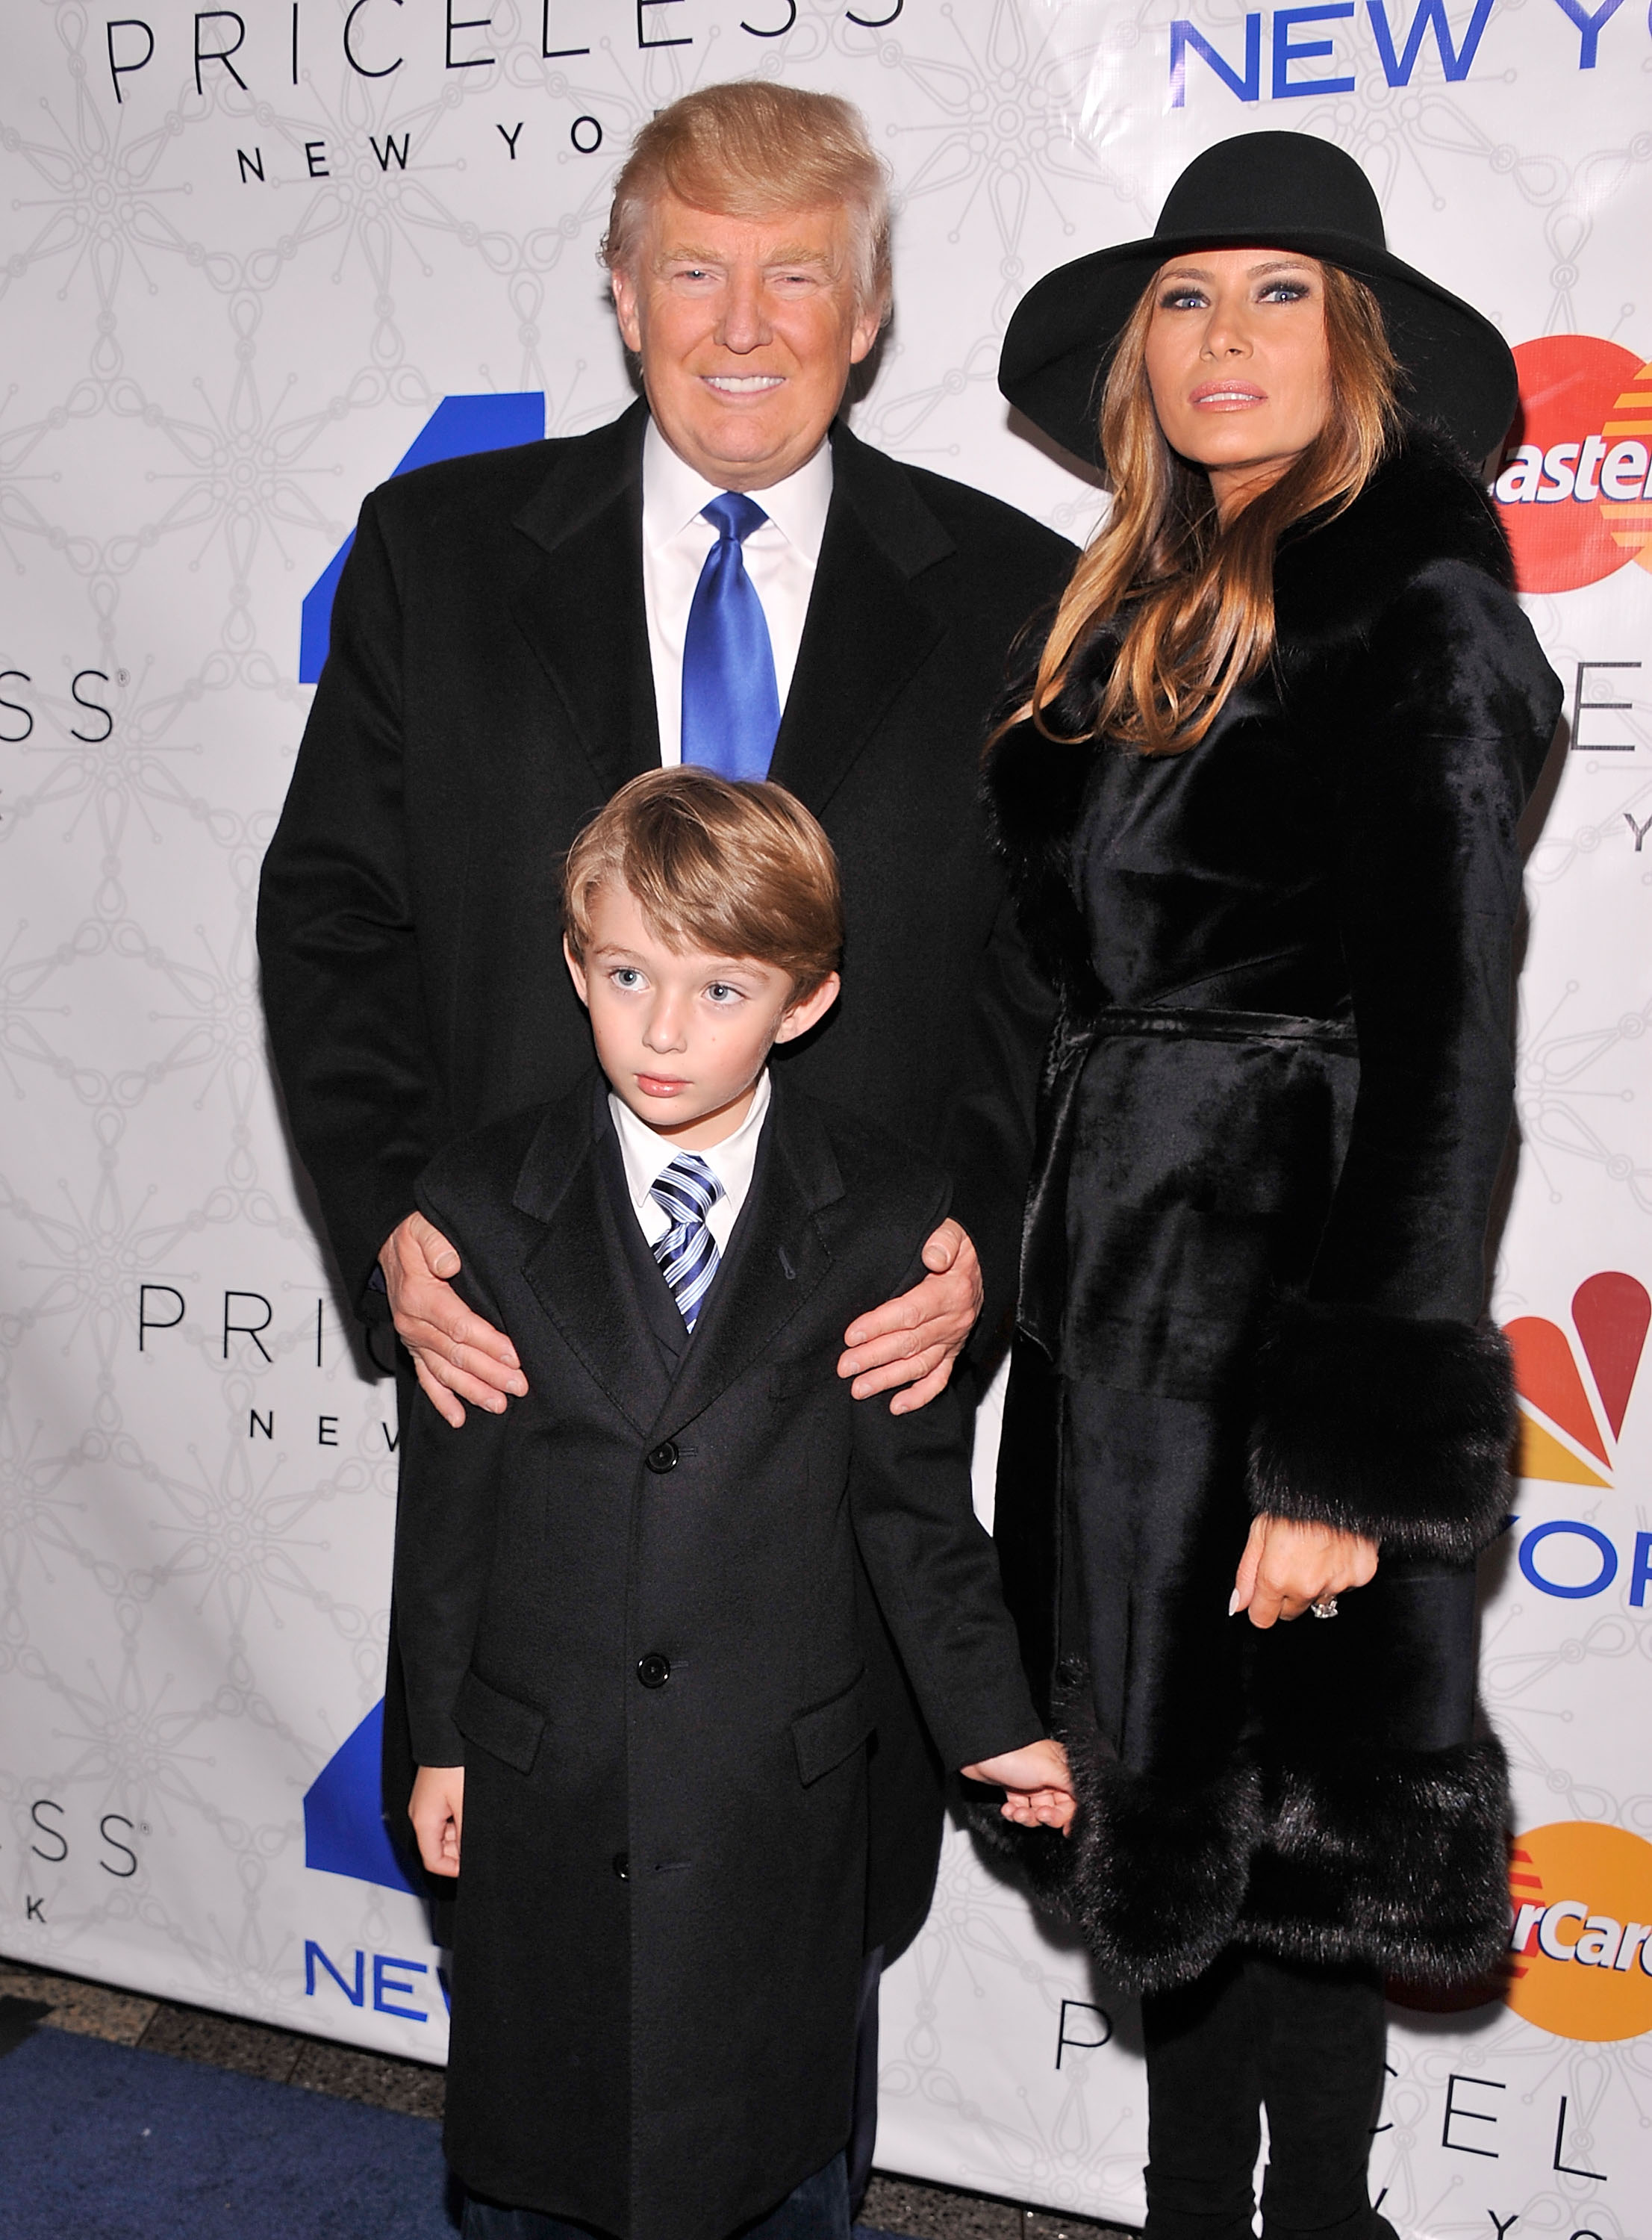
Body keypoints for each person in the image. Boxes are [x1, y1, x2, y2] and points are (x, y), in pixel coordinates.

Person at [255, 79, 1073, 2168]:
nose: (742, 323)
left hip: (835, 1394)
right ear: (619, 296)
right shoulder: (440, 552)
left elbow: (1045, 980)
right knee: (531, 1905)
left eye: (796, 276)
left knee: (804, 1921)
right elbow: (332, 915)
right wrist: (392, 1218)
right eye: (693, 270)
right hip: (524, 1375)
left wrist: (979, 1237)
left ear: (868, 315)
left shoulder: (1011, 590)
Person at [978, 132, 1563, 2240]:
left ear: (1358, 343)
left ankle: (1316, 2219)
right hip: (1109, 1314)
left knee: (1297, 1854)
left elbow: (1447, 1061)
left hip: (1284, 1311)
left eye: (1278, 293)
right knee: (1172, 1826)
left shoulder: (1412, 608)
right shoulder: (1129, 614)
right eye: (1184, 297)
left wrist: (1343, 1463)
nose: (1224, 337)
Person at [395, 766, 1074, 2240]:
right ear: (573, 963)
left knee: (768, 2151)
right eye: (626, 975)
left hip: (778, 1788)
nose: (662, 1030)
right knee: (540, 2149)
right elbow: (446, 1520)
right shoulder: (475, 1204)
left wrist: (993, 1721)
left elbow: (916, 1520)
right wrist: (437, 1741)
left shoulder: (889, 1217)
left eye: (720, 989)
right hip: (545, 1768)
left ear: (805, 1001)